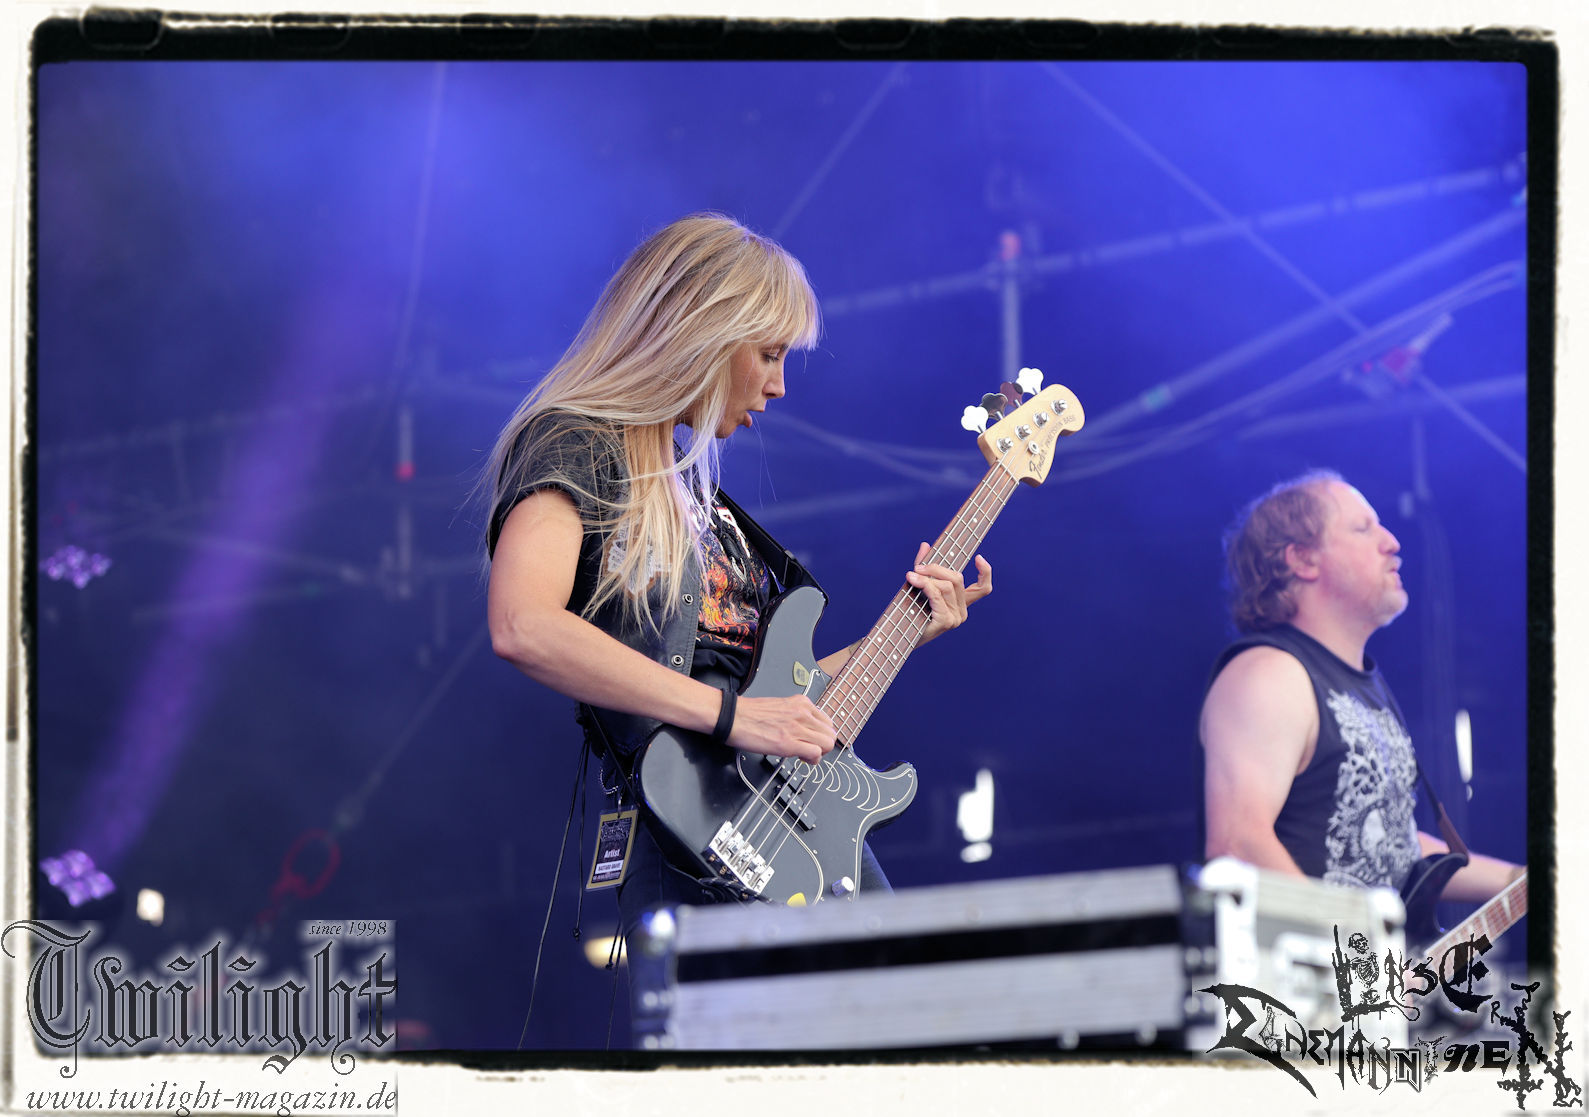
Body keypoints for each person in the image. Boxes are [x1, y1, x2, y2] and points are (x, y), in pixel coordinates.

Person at [482, 213, 992, 948]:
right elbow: (523, 625)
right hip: (696, 828)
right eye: (770, 354)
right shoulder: (575, 444)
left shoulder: (699, 499)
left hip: (783, 822)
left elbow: (773, 699)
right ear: (703, 334)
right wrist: (734, 719)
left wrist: (907, 632)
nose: (779, 386)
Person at [1199, 469, 1521, 903]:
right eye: (1363, 528)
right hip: (1315, 948)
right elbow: (1237, 844)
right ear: (1303, 560)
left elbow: (1395, 846)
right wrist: (1352, 941)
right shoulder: (1269, 673)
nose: (1392, 542)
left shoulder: (1364, 685)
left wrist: (1520, 882)